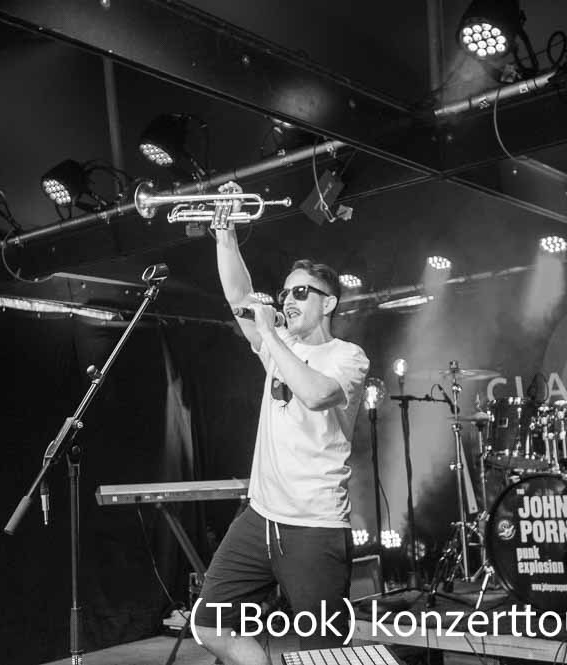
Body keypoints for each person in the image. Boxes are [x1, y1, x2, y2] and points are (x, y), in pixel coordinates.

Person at [192, 182, 369, 665]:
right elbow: (238, 295)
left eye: (301, 293)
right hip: (261, 518)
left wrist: (270, 334)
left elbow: (315, 394)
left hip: (314, 526)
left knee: (323, 652)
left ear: (328, 303)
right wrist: (225, 233)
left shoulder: (347, 356)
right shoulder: (279, 344)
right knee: (209, 625)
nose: (288, 299)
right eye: (286, 292)